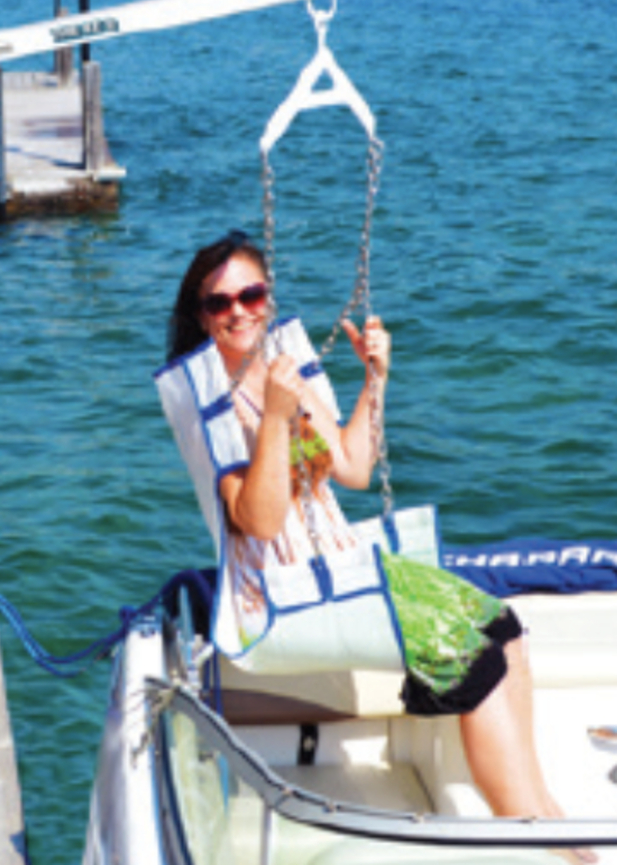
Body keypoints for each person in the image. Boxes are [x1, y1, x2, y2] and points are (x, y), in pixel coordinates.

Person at [165, 230, 582, 834]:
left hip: (341, 563)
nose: (238, 313)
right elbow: (259, 520)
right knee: (474, 664)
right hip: (280, 594)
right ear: (201, 318)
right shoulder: (209, 406)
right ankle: (531, 830)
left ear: (268, 299)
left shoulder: (287, 372)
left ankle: (544, 808)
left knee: (501, 625)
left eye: (250, 295)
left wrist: (374, 379)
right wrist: (277, 421)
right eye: (219, 303)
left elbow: (354, 468)